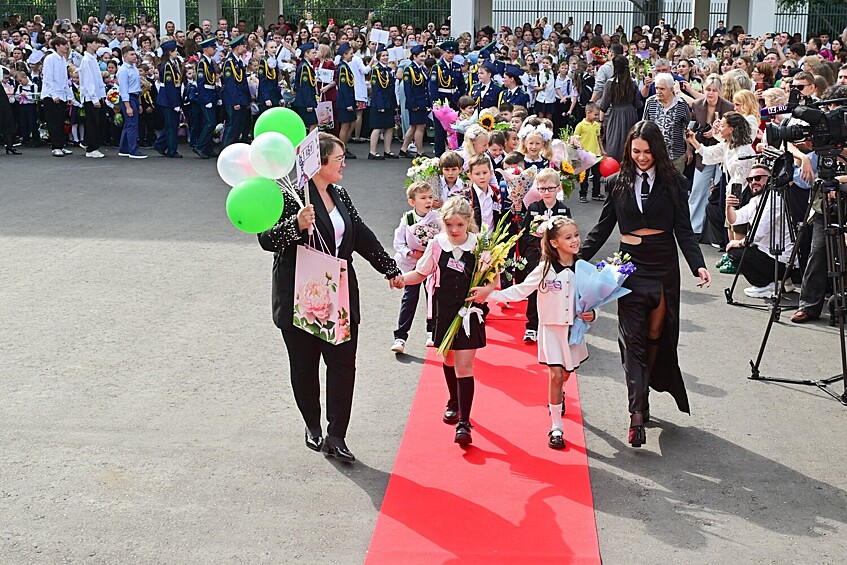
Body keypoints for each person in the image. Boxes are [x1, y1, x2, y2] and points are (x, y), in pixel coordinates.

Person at [257, 133, 404, 463]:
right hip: (299, 296)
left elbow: (360, 233)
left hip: (339, 295)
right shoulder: (288, 198)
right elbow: (265, 239)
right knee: (304, 366)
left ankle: (337, 435)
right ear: (318, 163)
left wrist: (388, 267)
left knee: (342, 366)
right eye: (338, 159)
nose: (344, 165)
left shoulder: (340, 194)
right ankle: (312, 425)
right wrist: (296, 224)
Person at [581, 121, 711, 448]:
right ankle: (636, 412)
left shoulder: (675, 182)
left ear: (658, 151)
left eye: (647, 152)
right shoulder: (617, 182)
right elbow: (602, 228)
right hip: (629, 267)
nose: (641, 157)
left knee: (656, 336)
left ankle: (644, 392)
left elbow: (683, 228)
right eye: (636, 151)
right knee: (632, 340)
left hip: (663, 267)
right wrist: (573, 259)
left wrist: (698, 264)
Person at [487, 215, 594, 449]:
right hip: (551, 330)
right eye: (568, 237)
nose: (575, 240)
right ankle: (556, 427)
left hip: (573, 332)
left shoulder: (583, 269)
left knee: (565, 374)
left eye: (576, 235)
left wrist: (592, 313)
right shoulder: (544, 269)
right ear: (554, 243)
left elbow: (593, 298)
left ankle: (560, 392)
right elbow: (520, 291)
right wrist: (489, 295)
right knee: (555, 375)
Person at [401, 196, 496, 445]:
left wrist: (487, 290)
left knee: (464, 366)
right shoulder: (436, 245)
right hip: (444, 311)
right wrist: (400, 279)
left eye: (459, 225)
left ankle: (464, 423)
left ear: (468, 222)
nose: (454, 230)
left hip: (470, 311)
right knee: (449, 359)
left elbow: (493, 277)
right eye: (449, 224)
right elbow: (420, 273)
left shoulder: (479, 245)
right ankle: (453, 400)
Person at [515, 168, 572, 342]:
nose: (546, 192)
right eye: (542, 189)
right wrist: (534, 244)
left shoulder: (564, 210)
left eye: (550, 188)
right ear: (537, 189)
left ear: (559, 188)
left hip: (556, 258)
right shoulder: (533, 208)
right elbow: (524, 234)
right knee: (534, 290)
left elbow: (570, 234)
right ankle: (532, 326)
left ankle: (553, 327)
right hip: (535, 256)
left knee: (555, 290)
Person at [724, 164, 796, 298]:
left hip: (781, 260)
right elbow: (735, 219)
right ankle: (782, 281)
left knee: (735, 253)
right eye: (750, 179)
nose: (753, 182)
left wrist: (737, 243)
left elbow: (757, 234)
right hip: (770, 254)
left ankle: (765, 286)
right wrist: (728, 207)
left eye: (758, 178)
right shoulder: (755, 200)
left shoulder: (774, 199)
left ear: (769, 179)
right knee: (741, 248)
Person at [391, 181, 441, 353]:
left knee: (432, 297)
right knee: (409, 298)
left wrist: (429, 253)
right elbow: (398, 242)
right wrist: (411, 253)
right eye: (423, 198)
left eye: (430, 197)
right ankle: (400, 337)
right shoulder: (408, 219)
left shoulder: (437, 218)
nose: (428, 201)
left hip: (431, 265)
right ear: (412, 202)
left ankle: (432, 331)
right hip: (412, 266)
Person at [689, 74, 734, 235]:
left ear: (720, 91)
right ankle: (694, 228)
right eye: (708, 89)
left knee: (719, 191)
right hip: (702, 151)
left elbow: (732, 132)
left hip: (722, 152)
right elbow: (691, 126)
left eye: (714, 90)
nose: (711, 93)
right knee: (698, 189)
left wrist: (716, 132)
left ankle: (717, 231)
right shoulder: (697, 104)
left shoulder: (728, 107)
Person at [642, 72, 691, 173]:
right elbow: (644, 128)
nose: (658, 91)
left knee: (676, 182)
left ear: (672, 89)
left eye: (662, 89)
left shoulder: (682, 104)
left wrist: (689, 150)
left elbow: (688, 128)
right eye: (656, 88)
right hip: (655, 156)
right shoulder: (650, 102)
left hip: (676, 156)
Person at [597, 55, 638, 163]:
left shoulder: (611, 83)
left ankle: (615, 166)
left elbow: (604, 105)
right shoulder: (632, 82)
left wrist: (600, 122)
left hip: (616, 115)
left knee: (614, 142)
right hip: (631, 115)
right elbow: (637, 103)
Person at [430, 41, 466, 156]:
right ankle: (439, 155)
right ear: (443, 52)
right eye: (448, 52)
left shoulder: (457, 67)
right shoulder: (437, 67)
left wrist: (462, 100)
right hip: (441, 101)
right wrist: (436, 103)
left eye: (453, 53)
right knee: (440, 131)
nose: (451, 55)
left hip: (454, 100)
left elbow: (461, 85)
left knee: (457, 129)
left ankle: (457, 154)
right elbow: (433, 87)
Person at [42, 36, 73, 157]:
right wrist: (54, 95)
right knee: (54, 122)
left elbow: (64, 79)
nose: (66, 47)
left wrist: (68, 96)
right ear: (57, 46)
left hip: (61, 95)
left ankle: (61, 145)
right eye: (63, 44)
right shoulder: (50, 59)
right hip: (51, 96)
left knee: (61, 121)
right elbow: (48, 79)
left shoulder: (62, 59)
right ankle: (55, 146)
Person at [399, 45, 430, 158]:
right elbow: (408, 89)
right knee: (420, 127)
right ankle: (419, 151)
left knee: (414, 127)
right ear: (414, 56)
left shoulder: (422, 69)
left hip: (422, 101)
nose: (423, 58)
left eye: (424, 56)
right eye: (421, 56)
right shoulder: (409, 69)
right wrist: (413, 104)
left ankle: (403, 149)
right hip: (416, 103)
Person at [368, 45, 399, 160]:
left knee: (390, 126)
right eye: (383, 56)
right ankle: (372, 151)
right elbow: (376, 89)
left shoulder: (388, 70)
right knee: (377, 127)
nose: (385, 57)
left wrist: (394, 104)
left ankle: (387, 150)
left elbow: (391, 88)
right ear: (378, 57)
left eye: (387, 55)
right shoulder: (376, 70)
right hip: (379, 103)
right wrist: (380, 105)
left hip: (389, 102)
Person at [116, 46, 147, 159]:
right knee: (132, 124)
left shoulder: (134, 68)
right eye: (131, 54)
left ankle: (123, 148)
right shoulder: (123, 71)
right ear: (125, 56)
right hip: (128, 98)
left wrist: (139, 103)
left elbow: (137, 87)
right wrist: (128, 106)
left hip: (135, 96)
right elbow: (124, 90)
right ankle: (133, 150)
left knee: (129, 124)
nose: (134, 56)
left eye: (134, 54)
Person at [78, 34, 106, 158]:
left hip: (97, 96)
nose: (98, 45)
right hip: (90, 97)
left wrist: (102, 95)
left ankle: (87, 142)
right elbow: (88, 81)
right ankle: (91, 149)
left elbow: (98, 79)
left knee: (98, 122)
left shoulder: (93, 58)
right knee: (93, 123)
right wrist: (94, 98)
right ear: (88, 44)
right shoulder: (86, 60)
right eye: (95, 42)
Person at [153, 40, 182, 158]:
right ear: (170, 52)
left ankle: (160, 145)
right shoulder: (167, 66)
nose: (176, 52)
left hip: (170, 98)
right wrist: (175, 103)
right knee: (172, 126)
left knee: (171, 124)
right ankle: (171, 150)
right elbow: (170, 86)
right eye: (175, 51)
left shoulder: (172, 63)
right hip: (168, 100)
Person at [193, 37, 218, 159]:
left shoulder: (209, 61)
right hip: (206, 95)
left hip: (211, 93)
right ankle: (199, 146)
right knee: (210, 123)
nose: (215, 50)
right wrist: (206, 99)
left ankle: (207, 148)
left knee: (208, 123)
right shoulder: (202, 63)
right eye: (213, 48)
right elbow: (201, 83)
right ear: (206, 49)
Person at [575, 102, 604, 202]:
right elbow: (575, 139)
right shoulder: (580, 125)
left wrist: (602, 150)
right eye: (595, 114)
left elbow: (598, 138)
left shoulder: (596, 125)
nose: (597, 117)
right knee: (584, 176)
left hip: (596, 154)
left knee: (597, 175)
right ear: (588, 113)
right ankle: (583, 194)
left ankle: (596, 193)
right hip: (584, 155)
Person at [335, 43, 357, 158]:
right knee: (345, 125)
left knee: (352, 123)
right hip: (344, 102)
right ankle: (341, 150)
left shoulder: (346, 66)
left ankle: (344, 146)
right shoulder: (342, 68)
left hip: (349, 100)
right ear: (344, 54)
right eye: (350, 53)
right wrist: (348, 103)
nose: (352, 55)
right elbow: (343, 87)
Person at [293, 42, 319, 133]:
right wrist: (309, 104)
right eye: (313, 53)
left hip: (305, 101)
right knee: (313, 124)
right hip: (304, 102)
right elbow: (305, 87)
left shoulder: (307, 65)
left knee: (313, 124)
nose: (315, 55)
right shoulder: (305, 67)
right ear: (306, 54)